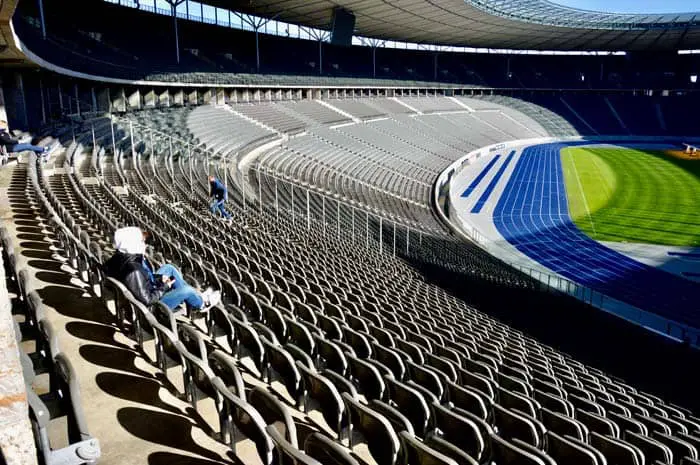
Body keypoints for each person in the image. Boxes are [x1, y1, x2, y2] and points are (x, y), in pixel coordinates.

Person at [103, 227, 220, 314]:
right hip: (153, 306)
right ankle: (202, 304)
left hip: (147, 288)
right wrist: (165, 286)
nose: (144, 244)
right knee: (187, 290)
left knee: (169, 268)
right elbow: (147, 300)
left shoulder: (121, 256)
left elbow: (140, 281)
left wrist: (158, 278)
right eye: (141, 241)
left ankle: (196, 297)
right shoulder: (133, 270)